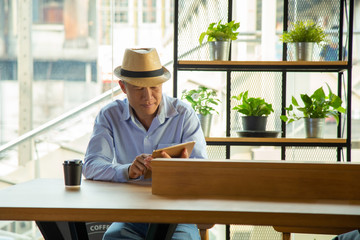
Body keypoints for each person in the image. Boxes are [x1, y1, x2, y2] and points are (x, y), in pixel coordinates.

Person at [82, 48, 207, 240]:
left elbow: (202, 169)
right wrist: (127, 170)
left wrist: (176, 169)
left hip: (177, 214)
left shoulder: (183, 114)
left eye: (154, 87)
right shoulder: (110, 115)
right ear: (123, 87)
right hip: (130, 213)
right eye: (139, 88)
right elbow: (90, 166)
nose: (148, 97)